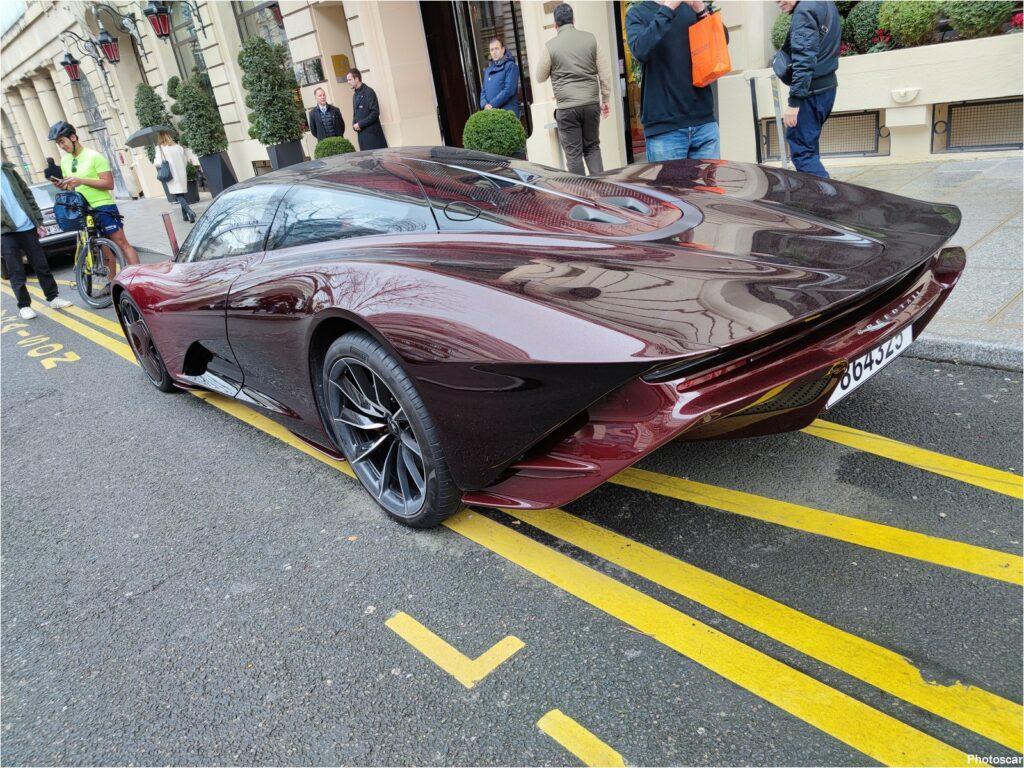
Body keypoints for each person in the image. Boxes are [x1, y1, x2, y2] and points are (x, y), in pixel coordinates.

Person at [626, 0, 725, 161]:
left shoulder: (694, 8)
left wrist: (701, 10)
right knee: (668, 187)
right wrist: (669, 8)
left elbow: (721, 42)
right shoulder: (637, 13)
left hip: (704, 123)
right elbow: (640, 50)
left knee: (708, 187)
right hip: (664, 128)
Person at [48, 121, 139, 286]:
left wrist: (81, 180)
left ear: (73, 137)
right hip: (83, 208)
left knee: (120, 243)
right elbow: (72, 185)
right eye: (58, 143)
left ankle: (140, 279)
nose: (60, 146)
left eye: (62, 141)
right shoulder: (65, 161)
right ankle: (111, 283)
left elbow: (109, 184)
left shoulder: (94, 156)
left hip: (103, 206)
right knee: (104, 249)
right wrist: (64, 184)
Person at [536, 3, 611, 176]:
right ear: (573, 20)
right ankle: (602, 192)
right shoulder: (591, 39)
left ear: (555, 24)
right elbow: (605, 74)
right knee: (592, 147)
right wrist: (605, 99)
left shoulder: (550, 47)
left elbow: (540, 76)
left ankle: (582, 197)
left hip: (567, 108)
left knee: (574, 155)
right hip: (591, 104)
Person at [1, 160, 73, 319]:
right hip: (5, 231)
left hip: (27, 226)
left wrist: (38, 220)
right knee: (16, 270)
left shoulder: (9, 171)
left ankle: (53, 298)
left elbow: (27, 194)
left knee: (41, 264)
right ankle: (24, 306)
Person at [777, 0, 840, 177]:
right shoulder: (826, 4)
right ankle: (820, 197)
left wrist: (794, 102)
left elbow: (804, 59)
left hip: (810, 93)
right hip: (827, 88)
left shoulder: (804, 11)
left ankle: (826, 201)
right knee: (809, 149)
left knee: (803, 153)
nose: (777, 1)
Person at [153, 131, 197, 223]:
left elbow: (158, 163)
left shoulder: (160, 148)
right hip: (181, 173)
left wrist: (155, 160)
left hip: (171, 174)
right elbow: (184, 161)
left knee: (178, 195)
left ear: (160, 138)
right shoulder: (178, 147)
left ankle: (190, 212)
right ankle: (185, 216)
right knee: (181, 194)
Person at [345, 69, 388, 151]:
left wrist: (360, 124)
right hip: (362, 137)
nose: (348, 82)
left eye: (350, 79)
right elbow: (355, 114)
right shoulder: (355, 95)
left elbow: (375, 113)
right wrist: (354, 124)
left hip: (373, 138)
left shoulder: (369, 92)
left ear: (357, 79)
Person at [479, 37, 521, 117]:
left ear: (503, 50)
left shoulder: (511, 66)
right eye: (492, 50)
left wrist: (491, 105)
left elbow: (509, 90)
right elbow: (483, 91)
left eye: (496, 49)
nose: (494, 52)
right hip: (491, 115)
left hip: (507, 114)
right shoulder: (488, 70)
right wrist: (485, 105)